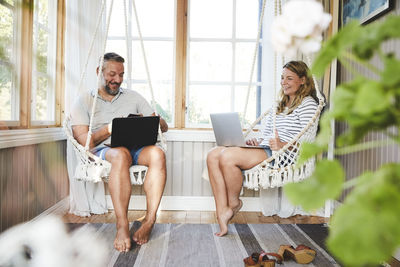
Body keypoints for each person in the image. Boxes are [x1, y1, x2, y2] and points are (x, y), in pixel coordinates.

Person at [206, 60, 318, 236]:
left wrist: (282, 146)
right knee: (213, 154)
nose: (284, 82)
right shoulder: (279, 104)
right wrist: (257, 142)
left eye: (289, 78)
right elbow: (266, 134)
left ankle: (234, 202)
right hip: (267, 149)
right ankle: (223, 211)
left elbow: (308, 142)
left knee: (227, 157)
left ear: (303, 80)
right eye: (282, 78)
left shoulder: (308, 104)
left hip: (284, 155)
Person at [70, 52, 168, 252]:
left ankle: (149, 221)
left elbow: (163, 127)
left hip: (136, 147)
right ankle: (122, 225)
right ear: (99, 72)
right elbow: (83, 142)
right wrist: (109, 129)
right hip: (105, 152)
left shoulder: (133, 97)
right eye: (112, 74)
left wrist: (153, 120)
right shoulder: (84, 101)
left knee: (158, 154)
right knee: (121, 153)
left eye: (121, 75)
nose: (117, 80)